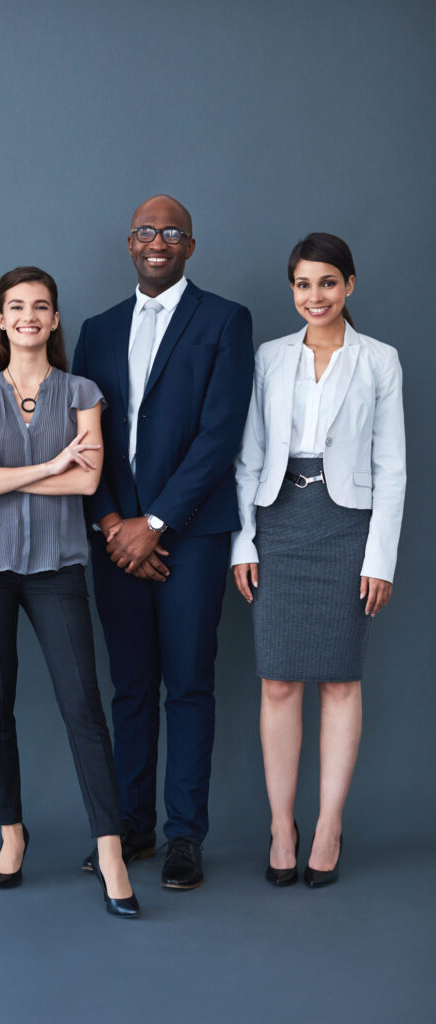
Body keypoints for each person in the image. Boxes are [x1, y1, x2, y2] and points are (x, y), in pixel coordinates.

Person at [72, 195, 254, 889]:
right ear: (128, 243)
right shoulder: (96, 329)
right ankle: (132, 830)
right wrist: (116, 522)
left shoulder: (223, 321)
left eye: (171, 233)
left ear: (190, 246)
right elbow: (86, 435)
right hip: (114, 536)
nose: (158, 242)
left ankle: (183, 837)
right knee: (129, 688)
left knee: (188, 684)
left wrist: (156, 523)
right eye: (146, 232)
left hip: (192, 536)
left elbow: (219, 434)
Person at [0, 266, 138, 918]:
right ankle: (10, 833)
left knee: (83, 706)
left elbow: (86, 487)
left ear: (54, 319)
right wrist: (51, 464)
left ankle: (109, 849)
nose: (28, 315)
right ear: (0, 320)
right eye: (15, 306)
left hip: (59, 568)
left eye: (40, 306)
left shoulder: (82, 392)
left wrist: (12, 474)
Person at [231, 233, 406, 887]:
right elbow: (247, 457)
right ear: (291, 289)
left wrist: (379, 558)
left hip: (345, 529)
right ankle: (283, 824)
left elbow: (391, 468)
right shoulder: (269, 358)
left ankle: (327, 823)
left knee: (338, 680)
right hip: (277, 525)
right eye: (302, 284)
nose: (314, 296)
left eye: (327, 283)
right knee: (277, 681)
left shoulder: (378, 361)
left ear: (349, 286)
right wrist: (242, 541)